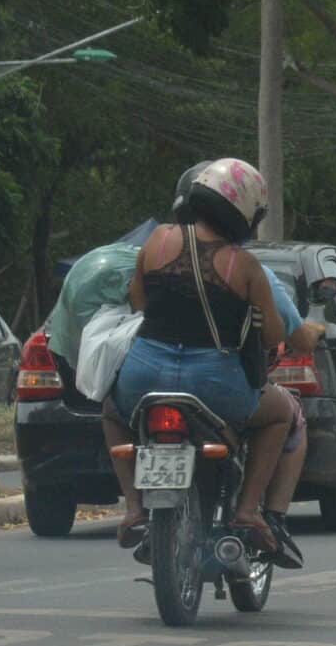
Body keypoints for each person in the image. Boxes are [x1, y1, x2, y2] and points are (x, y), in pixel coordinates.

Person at [105, 159, 297, 555]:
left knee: (110, 408)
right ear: (246, 213)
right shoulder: (245, 266)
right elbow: (274, 335)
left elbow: (138, 301)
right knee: (282, 414)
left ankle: (133, 509)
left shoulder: (156, 240)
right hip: (215, 385)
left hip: (144, 375)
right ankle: (247, 510)